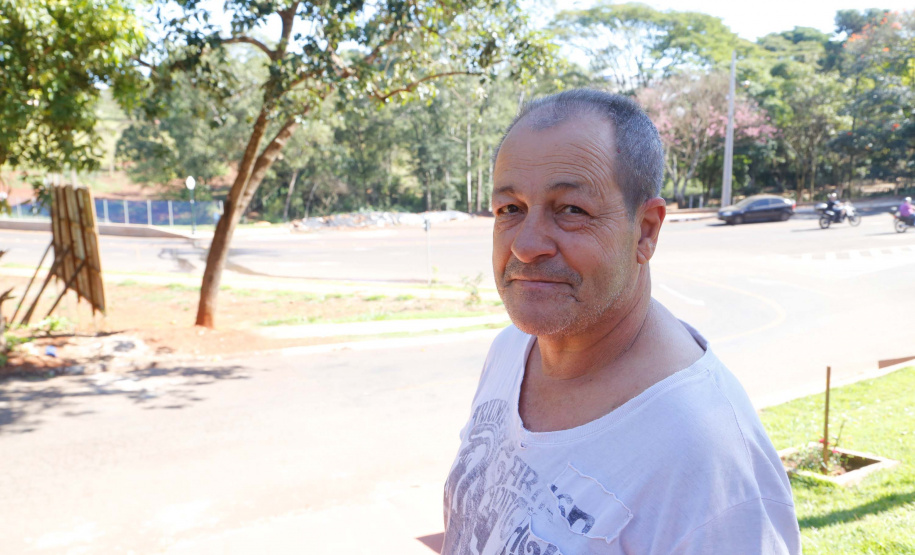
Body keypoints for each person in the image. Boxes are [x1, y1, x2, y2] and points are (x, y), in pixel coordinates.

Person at [443, 90, 800, 555]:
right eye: (510, 209)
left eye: (572, 210)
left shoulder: (708, 460)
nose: (526, 245)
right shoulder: (512, 349)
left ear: (646, 230)